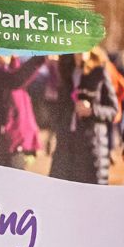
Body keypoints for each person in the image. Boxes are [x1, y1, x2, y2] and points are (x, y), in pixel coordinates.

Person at [48, 48, 118, 184]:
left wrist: (92, 110)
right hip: (66, 148)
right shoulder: (66, 73)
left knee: (91, 198)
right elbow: (59, 109)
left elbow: (113, 110)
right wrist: (58, 130)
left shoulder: (99, 73)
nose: (80, 53)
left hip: (91, 148)